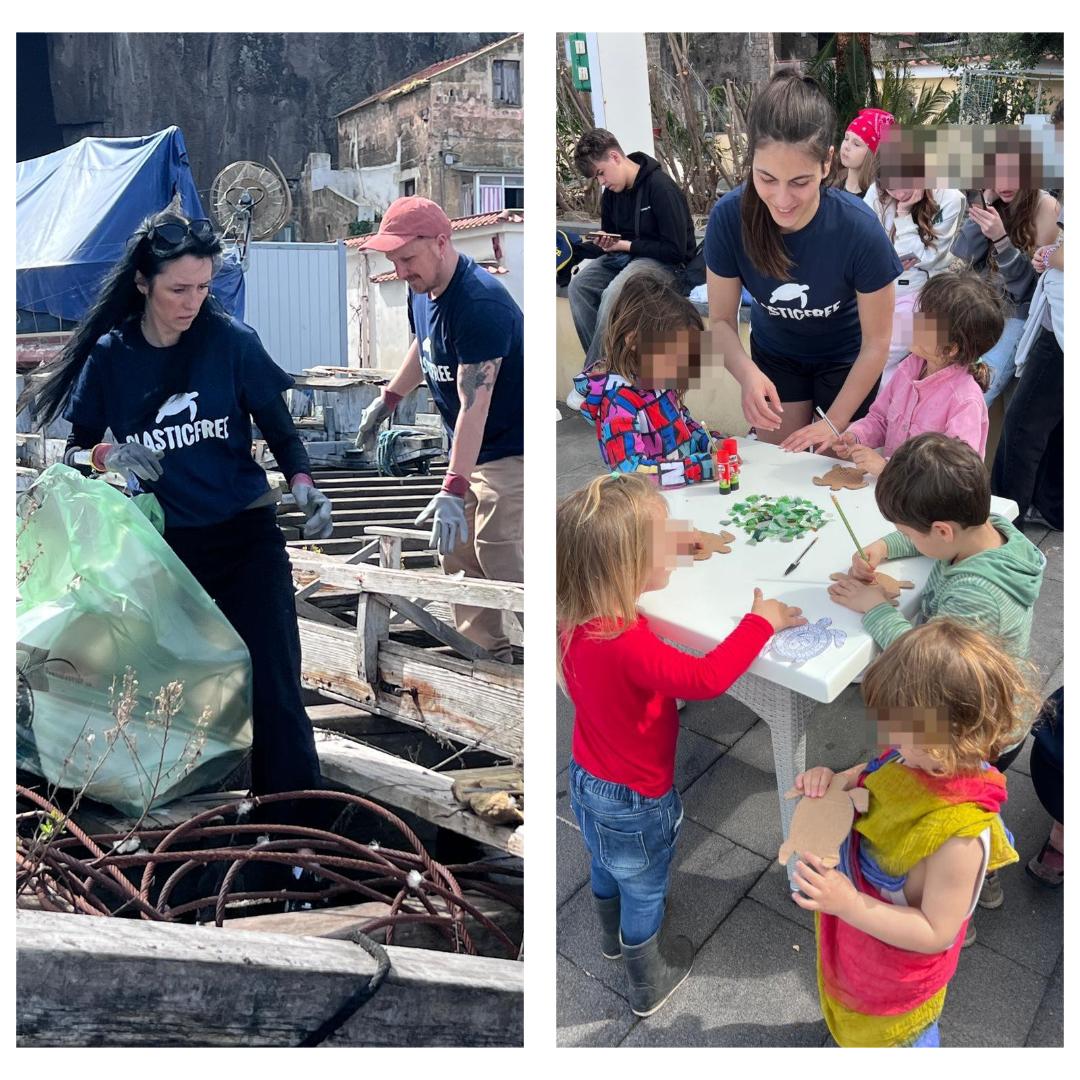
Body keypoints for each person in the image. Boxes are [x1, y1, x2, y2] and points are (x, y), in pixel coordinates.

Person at [33, 204, 332, 808]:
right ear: (143, 283)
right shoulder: (112, 357)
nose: (192, 301)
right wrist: (106, 458)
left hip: (246, 536)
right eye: (178, 289)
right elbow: (73, 445)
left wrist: (302, 481)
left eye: (202, 287)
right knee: (157, 685)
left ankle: (297, 829)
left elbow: (280, 429)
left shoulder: (232, 343)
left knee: (273, 681)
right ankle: (157, 813)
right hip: (164, 550)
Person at [557, 472, 805, 1016]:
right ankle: (647, 978)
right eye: (665, 542)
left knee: (603, 860)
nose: (676, 546)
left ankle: (607, 936)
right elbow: (707, 680)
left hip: (586, 778)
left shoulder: (575, 620)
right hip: (637, 796)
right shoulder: (628, 642)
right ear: (625, 568)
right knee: (645, 886)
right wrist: (760, 623)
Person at [829, 432, 1045, 921]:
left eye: (908, 528)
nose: (908, 535)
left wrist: (875, 608)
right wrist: (883, 546)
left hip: (969, 728)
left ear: (944, 532)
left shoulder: (976, 595)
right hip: (984, 716)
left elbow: (925, 667)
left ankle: (956, 892)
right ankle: (977, 872)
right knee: (971, 803)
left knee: (952, 811)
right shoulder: (989, 525)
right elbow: (923, 535)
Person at [793, 619, 1040, 1046]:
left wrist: (848, 902)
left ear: (946, 739)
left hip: (897, 987)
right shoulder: (911, 758)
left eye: (898, 728)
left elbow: (935, 932)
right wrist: (830, 781)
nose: (886, 736)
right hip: (861, 949)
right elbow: (864, 776)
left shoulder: (957, 839)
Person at [354, 196, 523, 662]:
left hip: (511, 446)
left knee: (502, 550)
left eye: (408, 258)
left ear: (442, 243)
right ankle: (487, 654)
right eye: (394, 260)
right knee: (458, 551)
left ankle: (563, 651)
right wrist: (388, 398)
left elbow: (475, 403)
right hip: (468, 446)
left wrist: (452, 487)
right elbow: (422, 346)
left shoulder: (479, 303)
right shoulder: (422, 290)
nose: (402, 270)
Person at [704, 72, 903, 453]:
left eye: (799, 182)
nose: (781, 199)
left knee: (835, 469)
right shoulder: (729, 218)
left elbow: (878, 342)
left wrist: (834, 422)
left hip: (847, 362)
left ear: (827, 162)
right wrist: (747, 376)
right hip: (775, 357)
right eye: (766, 178)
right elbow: (721, 321)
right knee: (780, 466)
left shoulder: (860, 229)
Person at [833, 271, 1001, 476]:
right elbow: (880, 418)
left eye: (925, 322)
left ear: (951, 348)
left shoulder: (965, 401)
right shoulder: (908, 369)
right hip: (892, 494)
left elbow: (954, 473)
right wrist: (856, 436)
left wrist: (887, 469)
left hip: (926, 505)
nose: (912, 323)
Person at [567, 272, 714, 487]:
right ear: (634, 341)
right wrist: (700, 468)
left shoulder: (661, 383)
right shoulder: (618, 403)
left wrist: (711, 443)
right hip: (647, 509)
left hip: (683, 497)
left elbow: (685, 426)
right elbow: (632, 472)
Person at [568, 129, 698, 368]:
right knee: (579, 286)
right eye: (597, 178)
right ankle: (604, 367)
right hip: (625, 259)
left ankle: (597, 373)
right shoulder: (611, 195)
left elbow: (676, 251)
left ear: (615, 157)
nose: (602, 182)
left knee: (615, 292)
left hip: (668, 266)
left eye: (601, 173)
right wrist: (602, 243)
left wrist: (626, 245)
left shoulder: (661, 187)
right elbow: (613, 239)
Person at [950, 129, 1060, 405]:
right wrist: (982, 205)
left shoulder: (1046, 207)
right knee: (931, 362)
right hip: (978, 304)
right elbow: (963, 253)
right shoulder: (992, 198)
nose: (1004, 183)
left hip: (1015, 314)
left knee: (978, 390)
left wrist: (1001, 239)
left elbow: (1028, 290)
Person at [863, 162, 966, 387]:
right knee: (870, 355)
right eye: (891, 189)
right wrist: (893, 258)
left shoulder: (950, 197)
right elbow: (863, 244)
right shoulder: (876, 190)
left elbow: (930, 259)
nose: (899, 194)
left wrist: (903, 215)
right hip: (877, 287)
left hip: (922, 295)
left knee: (883, 354)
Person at [991, 212, 1063, 530]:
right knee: (1055, 425)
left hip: (1059, 331)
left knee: (1022, 426)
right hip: (1055, 319)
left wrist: (1051, 254)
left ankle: (1003, 525)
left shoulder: (1045, 202)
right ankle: (1052, 507)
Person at [831, 107, 895, 198]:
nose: (846, 146)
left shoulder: (874, 199)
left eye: (856, 144)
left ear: (872, 154)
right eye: (846, 138)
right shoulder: (832, 182)